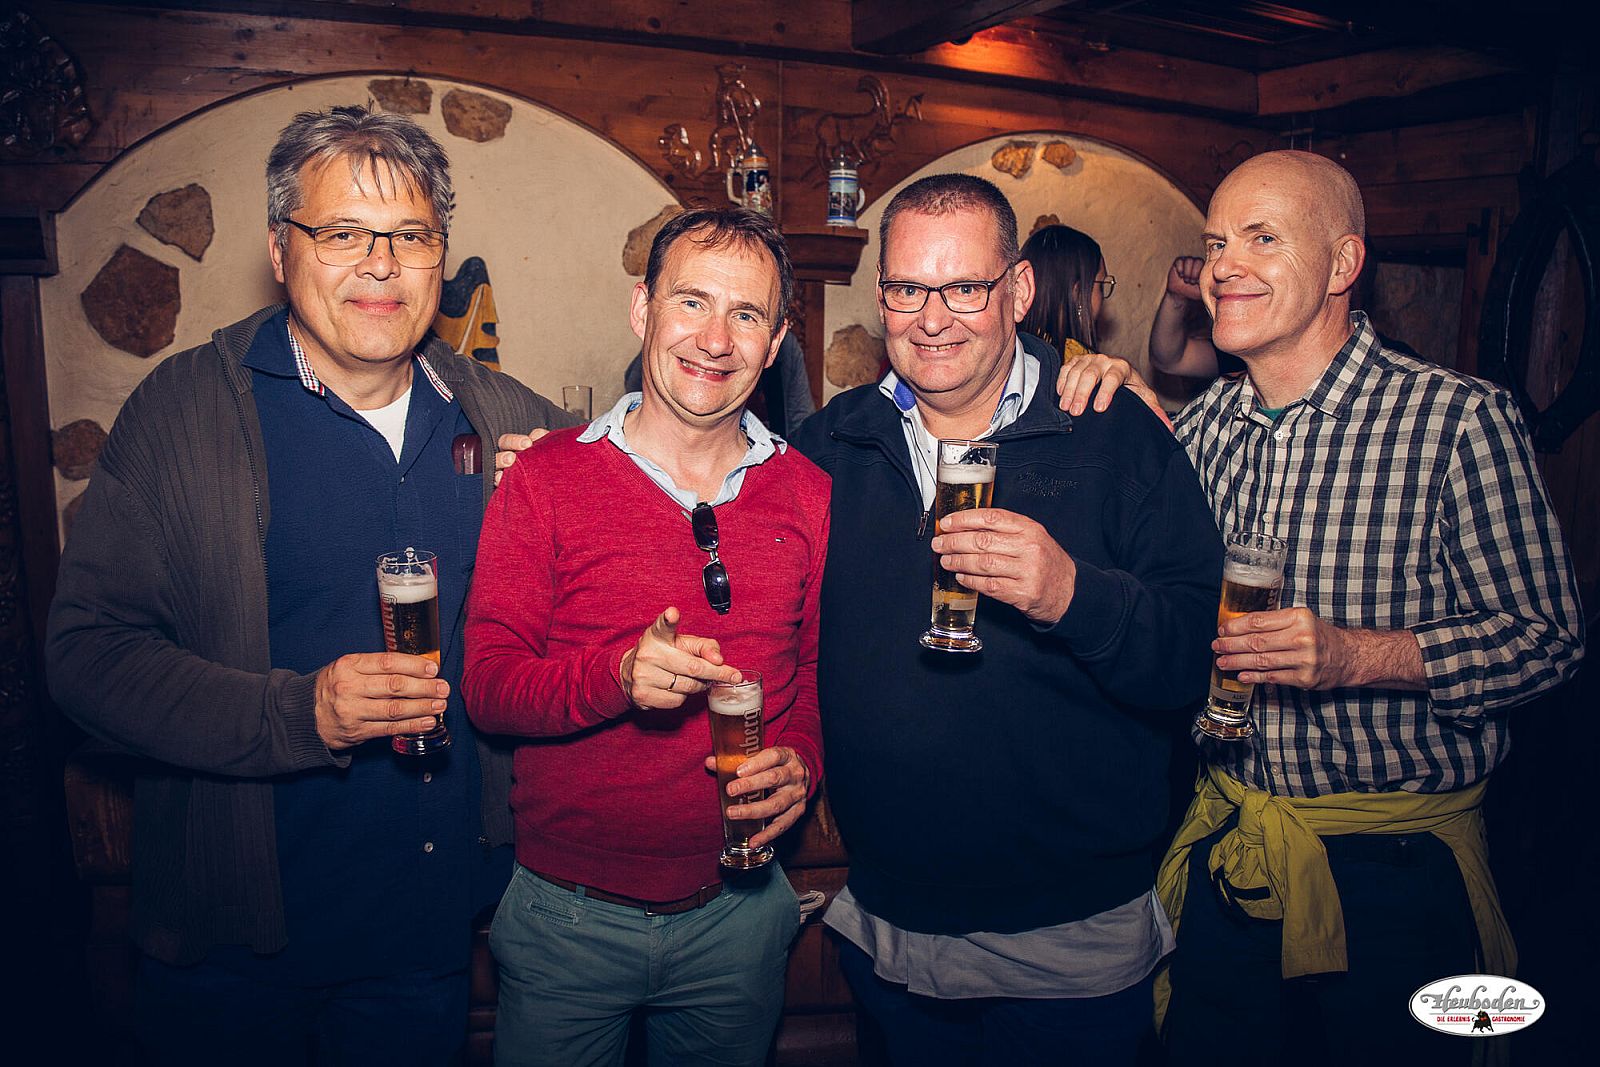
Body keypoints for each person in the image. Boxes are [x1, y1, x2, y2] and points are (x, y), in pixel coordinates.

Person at [46, 105, 573, 1065]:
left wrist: (569, 515)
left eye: (410, 236)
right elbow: (87, 658)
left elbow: (626, 589)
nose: (382, 265)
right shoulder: (182, 412)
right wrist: (303, 714)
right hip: (232, 952)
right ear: (280, 251)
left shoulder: (508, 419)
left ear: (440, 258)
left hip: (426, 943)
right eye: (342, 234)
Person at [1056, 150, 1585, 1065]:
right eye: (1215, 243)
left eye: (1262, 239)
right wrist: (1123, 424)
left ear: (1343, 264)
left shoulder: (1455, 419)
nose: (1224, 267)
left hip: (1397, 875)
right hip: (1230, 842)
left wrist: (1355, 655)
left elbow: (1549, 639)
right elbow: (1157, 606)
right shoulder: (1204, 427)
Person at [788, 174, 1225, 1065]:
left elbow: (1195, 657)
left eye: (964, 288)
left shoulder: (1113, 431)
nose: (932, 318)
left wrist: (1073, 595)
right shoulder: (827, 446)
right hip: (891, 929)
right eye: (907, 289)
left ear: (1019, 290)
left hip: (1070, 945)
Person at [463, 207, 830, 1067]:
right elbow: (486, 685)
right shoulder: (545, 476)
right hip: (566, 919)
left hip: (741, 915)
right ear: (643, 310)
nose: (715, 339)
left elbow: (812, 673)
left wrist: (804, 763)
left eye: (746, 314)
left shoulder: (810, 492)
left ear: (775, 343)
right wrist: (616, 675)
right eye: (692, 301)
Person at [623, 328, 814, 436]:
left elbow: (800, 422)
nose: (716, 346)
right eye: (693, 304)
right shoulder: (670, 343)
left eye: (745, 316)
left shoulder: (784, 347)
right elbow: (636, 388)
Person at [1016, 222, 1114, 358]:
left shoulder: (1013, 351)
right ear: (1078, 293)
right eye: (1101, 286)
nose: (1103, 297)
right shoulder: (1082, 363)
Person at [1147, 253, 1237, 379]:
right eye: (1218, 246)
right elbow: (1169, 360)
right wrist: (1176, 298)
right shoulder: (1243, 352)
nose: (1221, 270)